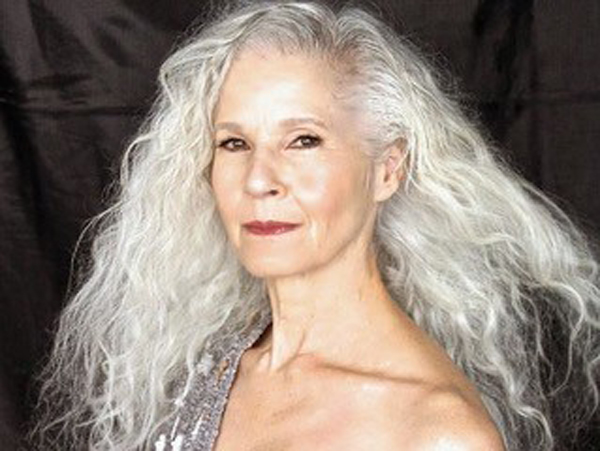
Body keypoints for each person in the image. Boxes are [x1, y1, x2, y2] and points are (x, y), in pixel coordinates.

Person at [30, 0, 600, 450]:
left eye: (303, 140)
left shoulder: (438, 434)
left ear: (387, 169)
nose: (259, 180)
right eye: (234, 143)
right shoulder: (205, 370)